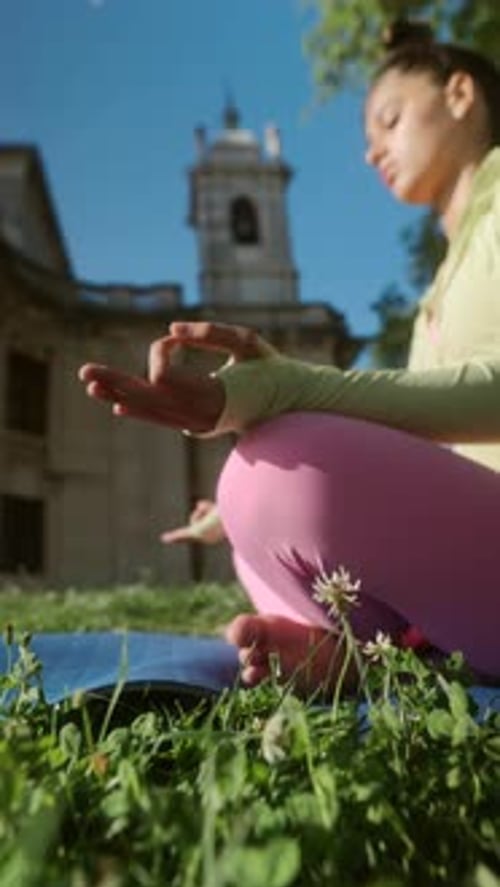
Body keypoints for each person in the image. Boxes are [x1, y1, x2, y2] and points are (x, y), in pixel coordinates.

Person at [79, 20, 500, 695]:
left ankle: (379, 652)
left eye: (388, 120)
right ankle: (373, 657)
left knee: (279, 468)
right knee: (254, 495)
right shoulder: (441, 282)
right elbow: (425, 431)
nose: (371, 153)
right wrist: (236, 502)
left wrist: (288, 392)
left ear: (459, 94)